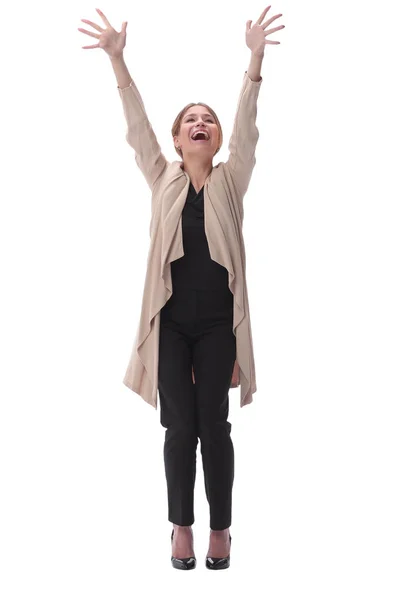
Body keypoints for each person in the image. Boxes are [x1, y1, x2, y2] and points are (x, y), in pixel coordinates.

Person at [78, 5, 285, 570]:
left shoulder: (230, 181)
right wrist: (118, 63)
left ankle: (221, 529)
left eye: (208, 120)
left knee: (215, 427)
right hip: (170, 325)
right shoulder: (162, 176)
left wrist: (255, 60)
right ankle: (180, 527)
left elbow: (247, 125)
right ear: (177, 137)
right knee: (179, 429)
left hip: (219, 325)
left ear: (215, 139)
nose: (201, 123)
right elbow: (137, 128)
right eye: (190, 119)